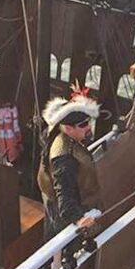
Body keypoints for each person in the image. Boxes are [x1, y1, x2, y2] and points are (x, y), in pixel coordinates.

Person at [37, 86, 103, 239]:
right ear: (67, 128)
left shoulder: (59, 133)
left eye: (89, 121)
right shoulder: (63, 158)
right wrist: (79, 218)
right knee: (65, 243)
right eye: (83, 125)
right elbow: (65, 200)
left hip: (51, 203)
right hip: (63, 213)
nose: (88, 127)